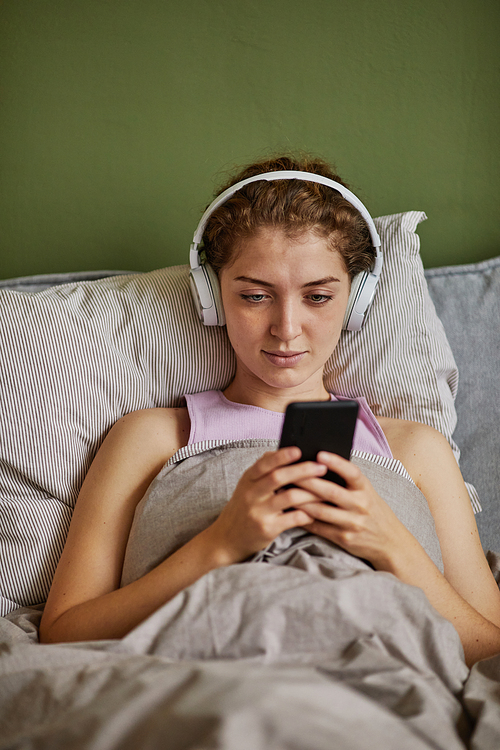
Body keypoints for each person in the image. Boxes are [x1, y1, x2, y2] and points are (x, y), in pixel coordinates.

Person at [39, 155, 500, 666]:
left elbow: (490, 648)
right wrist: (220, 545)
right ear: (212, 297)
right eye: (256, 296)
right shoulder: (151, 437)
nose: (286, 327)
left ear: (358, 299)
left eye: (319, 296)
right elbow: (63, 632)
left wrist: (390, 544)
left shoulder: (416, 450)